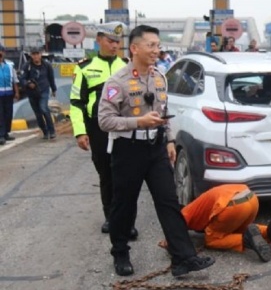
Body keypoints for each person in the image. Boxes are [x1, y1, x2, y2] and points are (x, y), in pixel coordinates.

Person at [98, 25, 214, 277]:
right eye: (151, 45)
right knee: (124, 204)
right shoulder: (117, 82)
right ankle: (120, 252)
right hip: (127, 149)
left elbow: (164, 114)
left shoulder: (160, 77)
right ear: (134, 48)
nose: (156, 50)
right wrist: (138, 122)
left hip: (157, 147)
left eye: (158, 45)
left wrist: (170, 140)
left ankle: (183, 257)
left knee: (169, 201)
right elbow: (104, 121)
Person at [69, 22, 137, 237]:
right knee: (106, 174)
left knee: (125, 175)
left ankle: (127, 221)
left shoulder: (127, 66)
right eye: (110, 41)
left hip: (124, 127)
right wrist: (80, 132)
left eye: (117, 41)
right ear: (98, 40)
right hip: (98, 128)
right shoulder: (84, 67)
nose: (114, 45)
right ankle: (111, 217)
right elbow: (76, 103)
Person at [160, 184, 271, 262]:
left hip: (233, 205)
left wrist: (169, 241)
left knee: (211, 239)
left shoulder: (185, 213)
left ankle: (246, 240)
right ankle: (269, 231)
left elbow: (175, 226)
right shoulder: (198, 205)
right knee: (238, 229)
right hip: (251, 198)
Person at [20, 47, 57, 139]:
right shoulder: (27, 66)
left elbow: (51, 78)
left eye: (37, 54)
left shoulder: (47, 65)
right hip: (32, 93)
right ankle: (45, 132)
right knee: (38, 114)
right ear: (31, 55)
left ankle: (52, 131)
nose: (36, 56)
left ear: (41, 54)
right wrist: (28, 84)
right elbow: (22, 78)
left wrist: (54, 89)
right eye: (34, 54)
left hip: (44, 91)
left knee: (44, 108)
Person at [0, 43, 20, 145]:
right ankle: (1, 135)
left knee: (8, 114)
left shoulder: (10, 65)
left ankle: (6, 133)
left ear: (4, 53)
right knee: (1, 115)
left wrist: (16, 92)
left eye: (1, 51)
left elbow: (15, 80)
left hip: (8, 94)